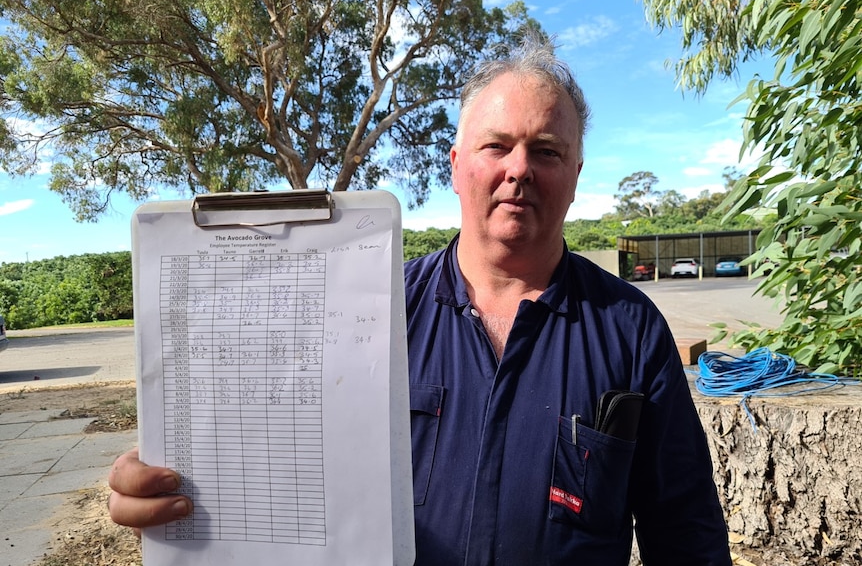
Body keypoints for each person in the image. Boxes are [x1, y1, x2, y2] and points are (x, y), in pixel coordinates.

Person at [107, 33, 732, 565]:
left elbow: (686, 536)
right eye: (497, 146)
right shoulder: (365, 310)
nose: (519, 169)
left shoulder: (630, 330)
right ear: (456, 165)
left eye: (546, 151)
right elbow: (271, 464)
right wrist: (182, 486)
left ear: (574, 176)